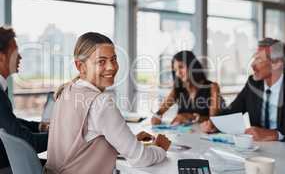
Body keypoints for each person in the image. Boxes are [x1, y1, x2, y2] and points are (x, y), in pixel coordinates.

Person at [45, 32, 171, 174]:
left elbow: (79, 149)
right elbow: (140, 159)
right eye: (101, 61)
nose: (111, 67)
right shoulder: (101, 102)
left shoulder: (65, 92)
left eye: (114, 59)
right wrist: (160, 148)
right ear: (81, 66)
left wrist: (130, 142)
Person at [201, 38, 285, 141]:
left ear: (277, 64)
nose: (253, 65)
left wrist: (274, 134)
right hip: (257, 149)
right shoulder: (252, 84)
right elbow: (232, 110)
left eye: (259, 59)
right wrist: (214, 124)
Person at [0, 26, 49, 169]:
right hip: (6, 165)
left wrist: (39, 126)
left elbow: (9, 121)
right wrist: (60, 136)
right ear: (1, 57)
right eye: (15, 52)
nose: (20, 57)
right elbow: (27, 142)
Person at [151, 50, 224, 126]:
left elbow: (213, 121)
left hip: (204, 135)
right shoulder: (178, 88)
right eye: (175, 70)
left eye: (181, 67)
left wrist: (190, 117)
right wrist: (156, 116)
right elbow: (160, 112)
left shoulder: (213, 87)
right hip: (183, 135)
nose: (178, 73)